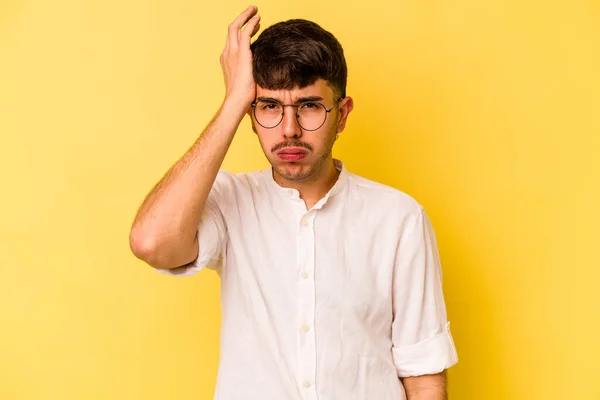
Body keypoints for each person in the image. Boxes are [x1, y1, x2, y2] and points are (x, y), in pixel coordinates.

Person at [129, 5, 458, 400]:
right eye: (269, 107)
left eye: (309, 106)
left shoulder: (398, 219)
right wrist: (235, 100)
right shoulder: (230, 202)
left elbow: (423, 375)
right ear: (251, 115)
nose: (289, 130)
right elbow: (152, 243)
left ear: (342, 114)